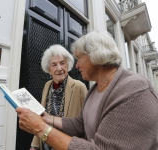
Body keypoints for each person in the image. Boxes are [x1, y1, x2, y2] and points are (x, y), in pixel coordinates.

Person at [16, 30, 158, 150]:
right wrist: (47, 119)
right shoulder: (96, 88)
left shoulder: (134, 91)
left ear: (95, 55)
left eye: (79, 58)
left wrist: (41, 128)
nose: (76, 66)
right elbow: (79, 124)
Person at [30, 44, 88, 150]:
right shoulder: (47, 85)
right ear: (49, 69)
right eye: (54, 65)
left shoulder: (79, 87)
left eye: (62, 63)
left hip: (68, 145)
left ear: (67, 65)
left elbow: (87, 121)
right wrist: (34, 145)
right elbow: (41, 117)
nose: (59, 68)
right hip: (46, 144)